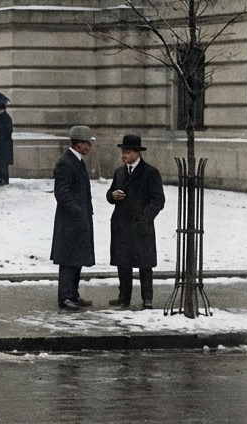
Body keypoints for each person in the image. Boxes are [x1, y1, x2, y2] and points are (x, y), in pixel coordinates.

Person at [106, 134, 165, 310]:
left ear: (137, 153)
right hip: (121, 224)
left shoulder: (150, 172)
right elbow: (110, 194)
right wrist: (113, 195)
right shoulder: (119, 172)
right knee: (122, 262)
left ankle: (147, 299)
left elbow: (158, 200)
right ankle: (124, 297)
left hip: (141, 226)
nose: (124, 155)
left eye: (128, 152)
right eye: (123, 152)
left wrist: (145, 218)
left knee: (145, 264)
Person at [52, 125, 96, 311]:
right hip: (69, 221)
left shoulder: (76, 160)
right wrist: (77, 211)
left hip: (78, 219)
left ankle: (73, 295)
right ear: (78, 144)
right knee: (68, 261)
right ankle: (65, 297)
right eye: (87, 143)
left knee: (76, 259)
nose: (89, 147)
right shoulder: (65, 162)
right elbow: (62, 193)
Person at [0, 104, 14, 186]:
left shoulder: (4, 117)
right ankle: (3, 179)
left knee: (3, 163)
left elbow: (7, 130)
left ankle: (4, 179)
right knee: (2, 163)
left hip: (3, 144)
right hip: (3, 144)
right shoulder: (3, 117)